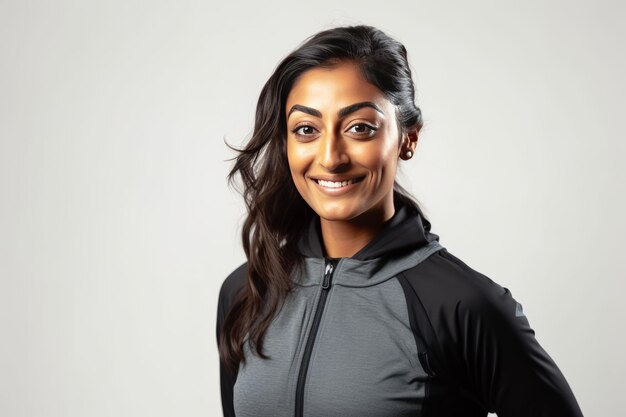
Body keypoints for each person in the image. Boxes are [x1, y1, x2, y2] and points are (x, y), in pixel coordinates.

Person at [216, 25, 583, 417]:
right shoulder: (247, 290)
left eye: (359, 128)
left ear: (408, 137)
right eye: (306, 130)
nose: (331, 157)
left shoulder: (460, 306)